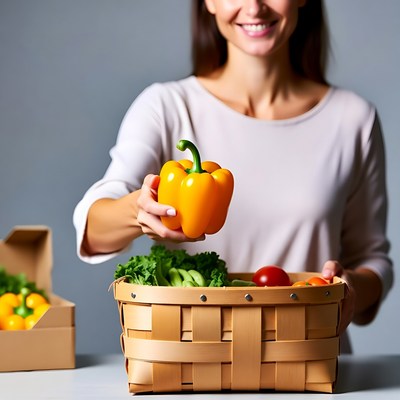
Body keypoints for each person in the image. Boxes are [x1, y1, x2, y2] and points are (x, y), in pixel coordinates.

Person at [73, 0, 393, 350]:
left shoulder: (352, 118)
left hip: (305, 358)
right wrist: (138, 211)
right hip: (191, 358)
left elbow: (372, 259)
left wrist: (349, 290)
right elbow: (92, 227)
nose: (254, 8)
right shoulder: (166, 107)